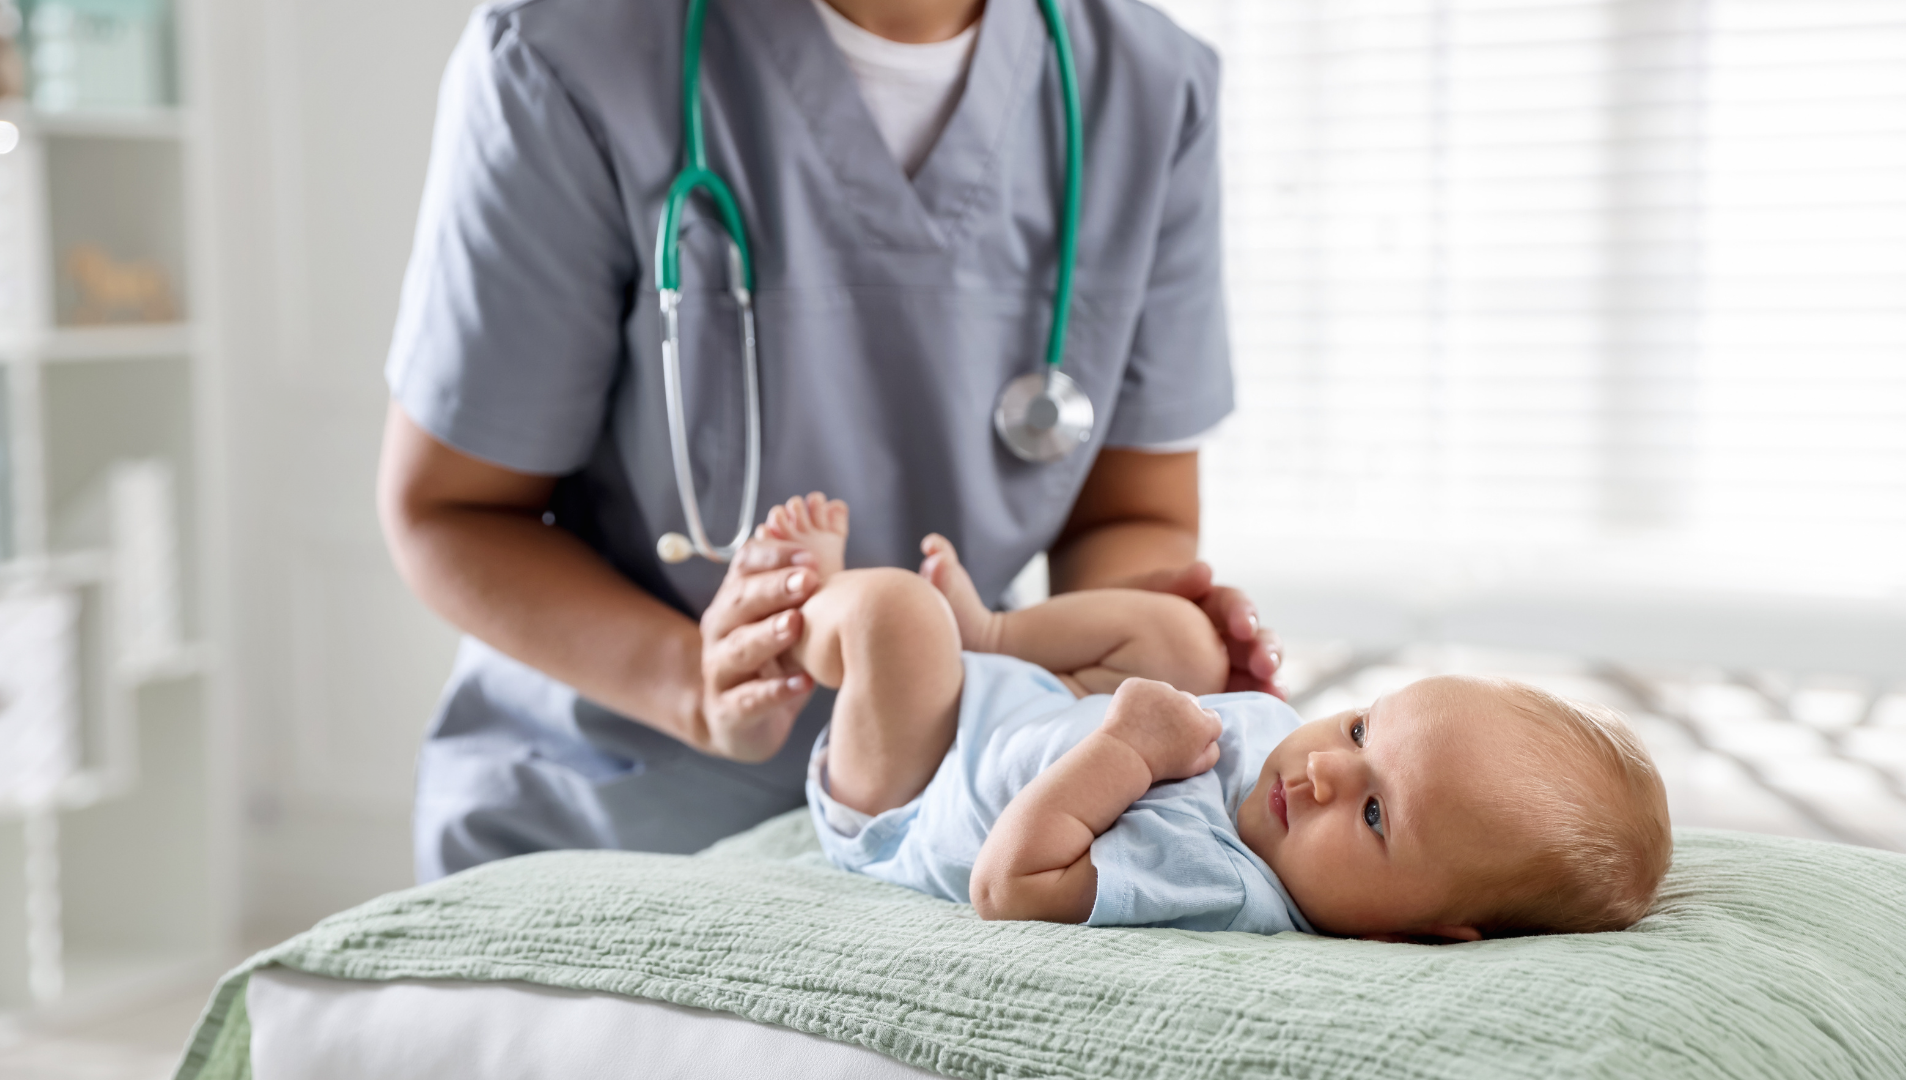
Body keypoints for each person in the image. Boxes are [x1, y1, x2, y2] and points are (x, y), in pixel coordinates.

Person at [376, 0, 1282, 882]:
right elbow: (448, 511)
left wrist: (1132, 655)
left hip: (959, 820)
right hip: (610, 820)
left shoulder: (1148, 84)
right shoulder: (567, 52)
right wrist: (698, 684)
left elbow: (1129, 511)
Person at [767, 494, 1674, 938]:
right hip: (1021, 708)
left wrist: (1125, 747)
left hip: (917, 793)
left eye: (1373, 816)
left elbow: (1007, 887)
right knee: (1184, 641)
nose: (1324, 769)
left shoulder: (1219, 882)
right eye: (1361, 730)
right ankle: (995, 630)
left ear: (1432, 931)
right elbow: (1226, 714)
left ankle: (808, 619)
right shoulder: (1292, 779)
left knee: (896, 616)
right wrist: (1212, 688)